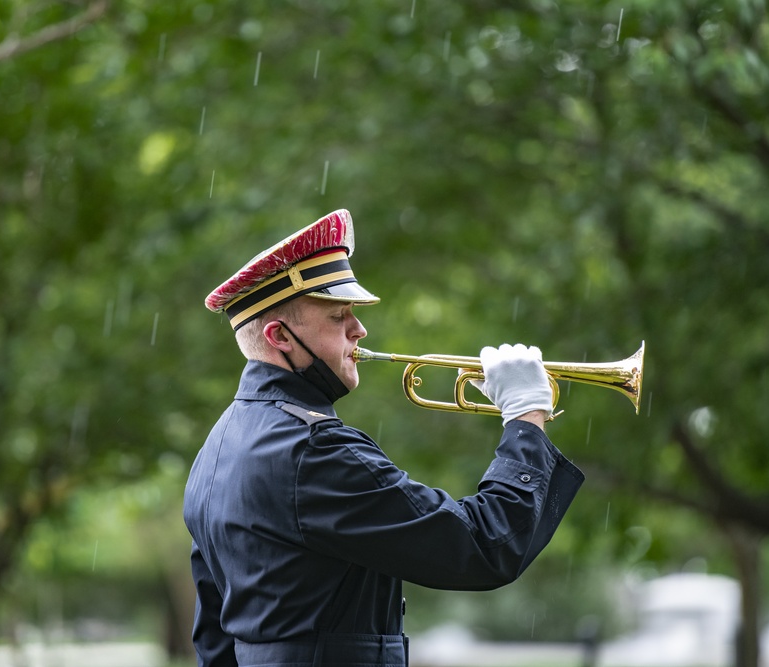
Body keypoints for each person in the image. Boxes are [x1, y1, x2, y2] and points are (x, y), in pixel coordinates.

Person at [183, 209, 584, 667]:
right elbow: (484, 547)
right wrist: (525, 418)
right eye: (338, 316)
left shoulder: (216, 448)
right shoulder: (315, 449)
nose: (360, 330)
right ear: (280, 336)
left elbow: (214, 638)